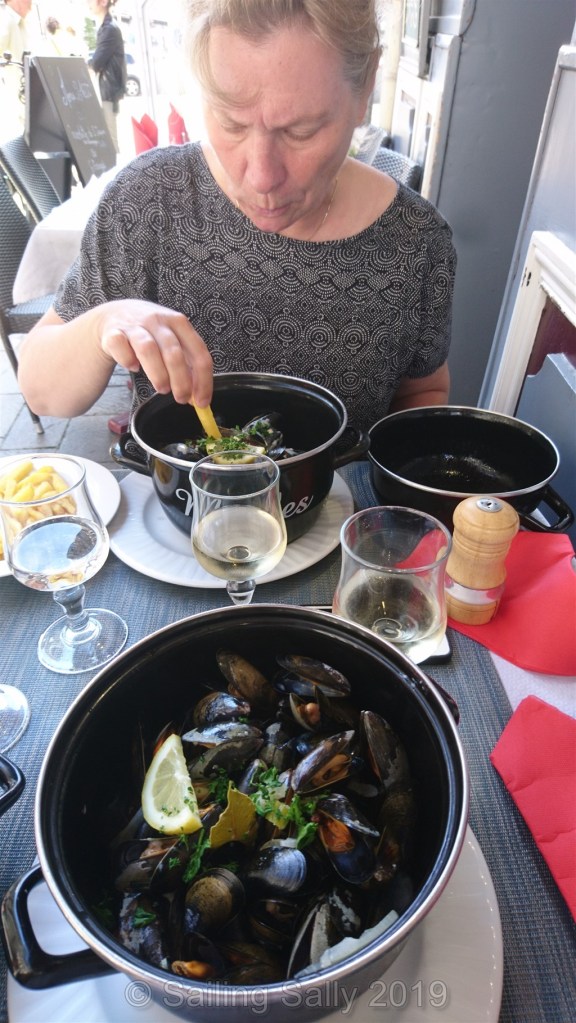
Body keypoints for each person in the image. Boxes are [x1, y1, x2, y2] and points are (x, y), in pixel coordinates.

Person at [18, 0, 456, 434]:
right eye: (231, 124)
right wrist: (103, 323)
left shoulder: (417, 240)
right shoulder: (149, 201)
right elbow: (41, 392)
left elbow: (423, 391)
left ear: (366, 86)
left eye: (300, 131)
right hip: (181, 482)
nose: (261, 176)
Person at [87, 0, 126, 153]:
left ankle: (116, 168)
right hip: (108, 89)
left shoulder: (109, 29)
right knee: (109, 138)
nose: (88, 3)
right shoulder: (107, 27)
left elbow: (96, 62)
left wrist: (85, 64)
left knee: (110, 140)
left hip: (109, 91)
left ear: (103, 2)